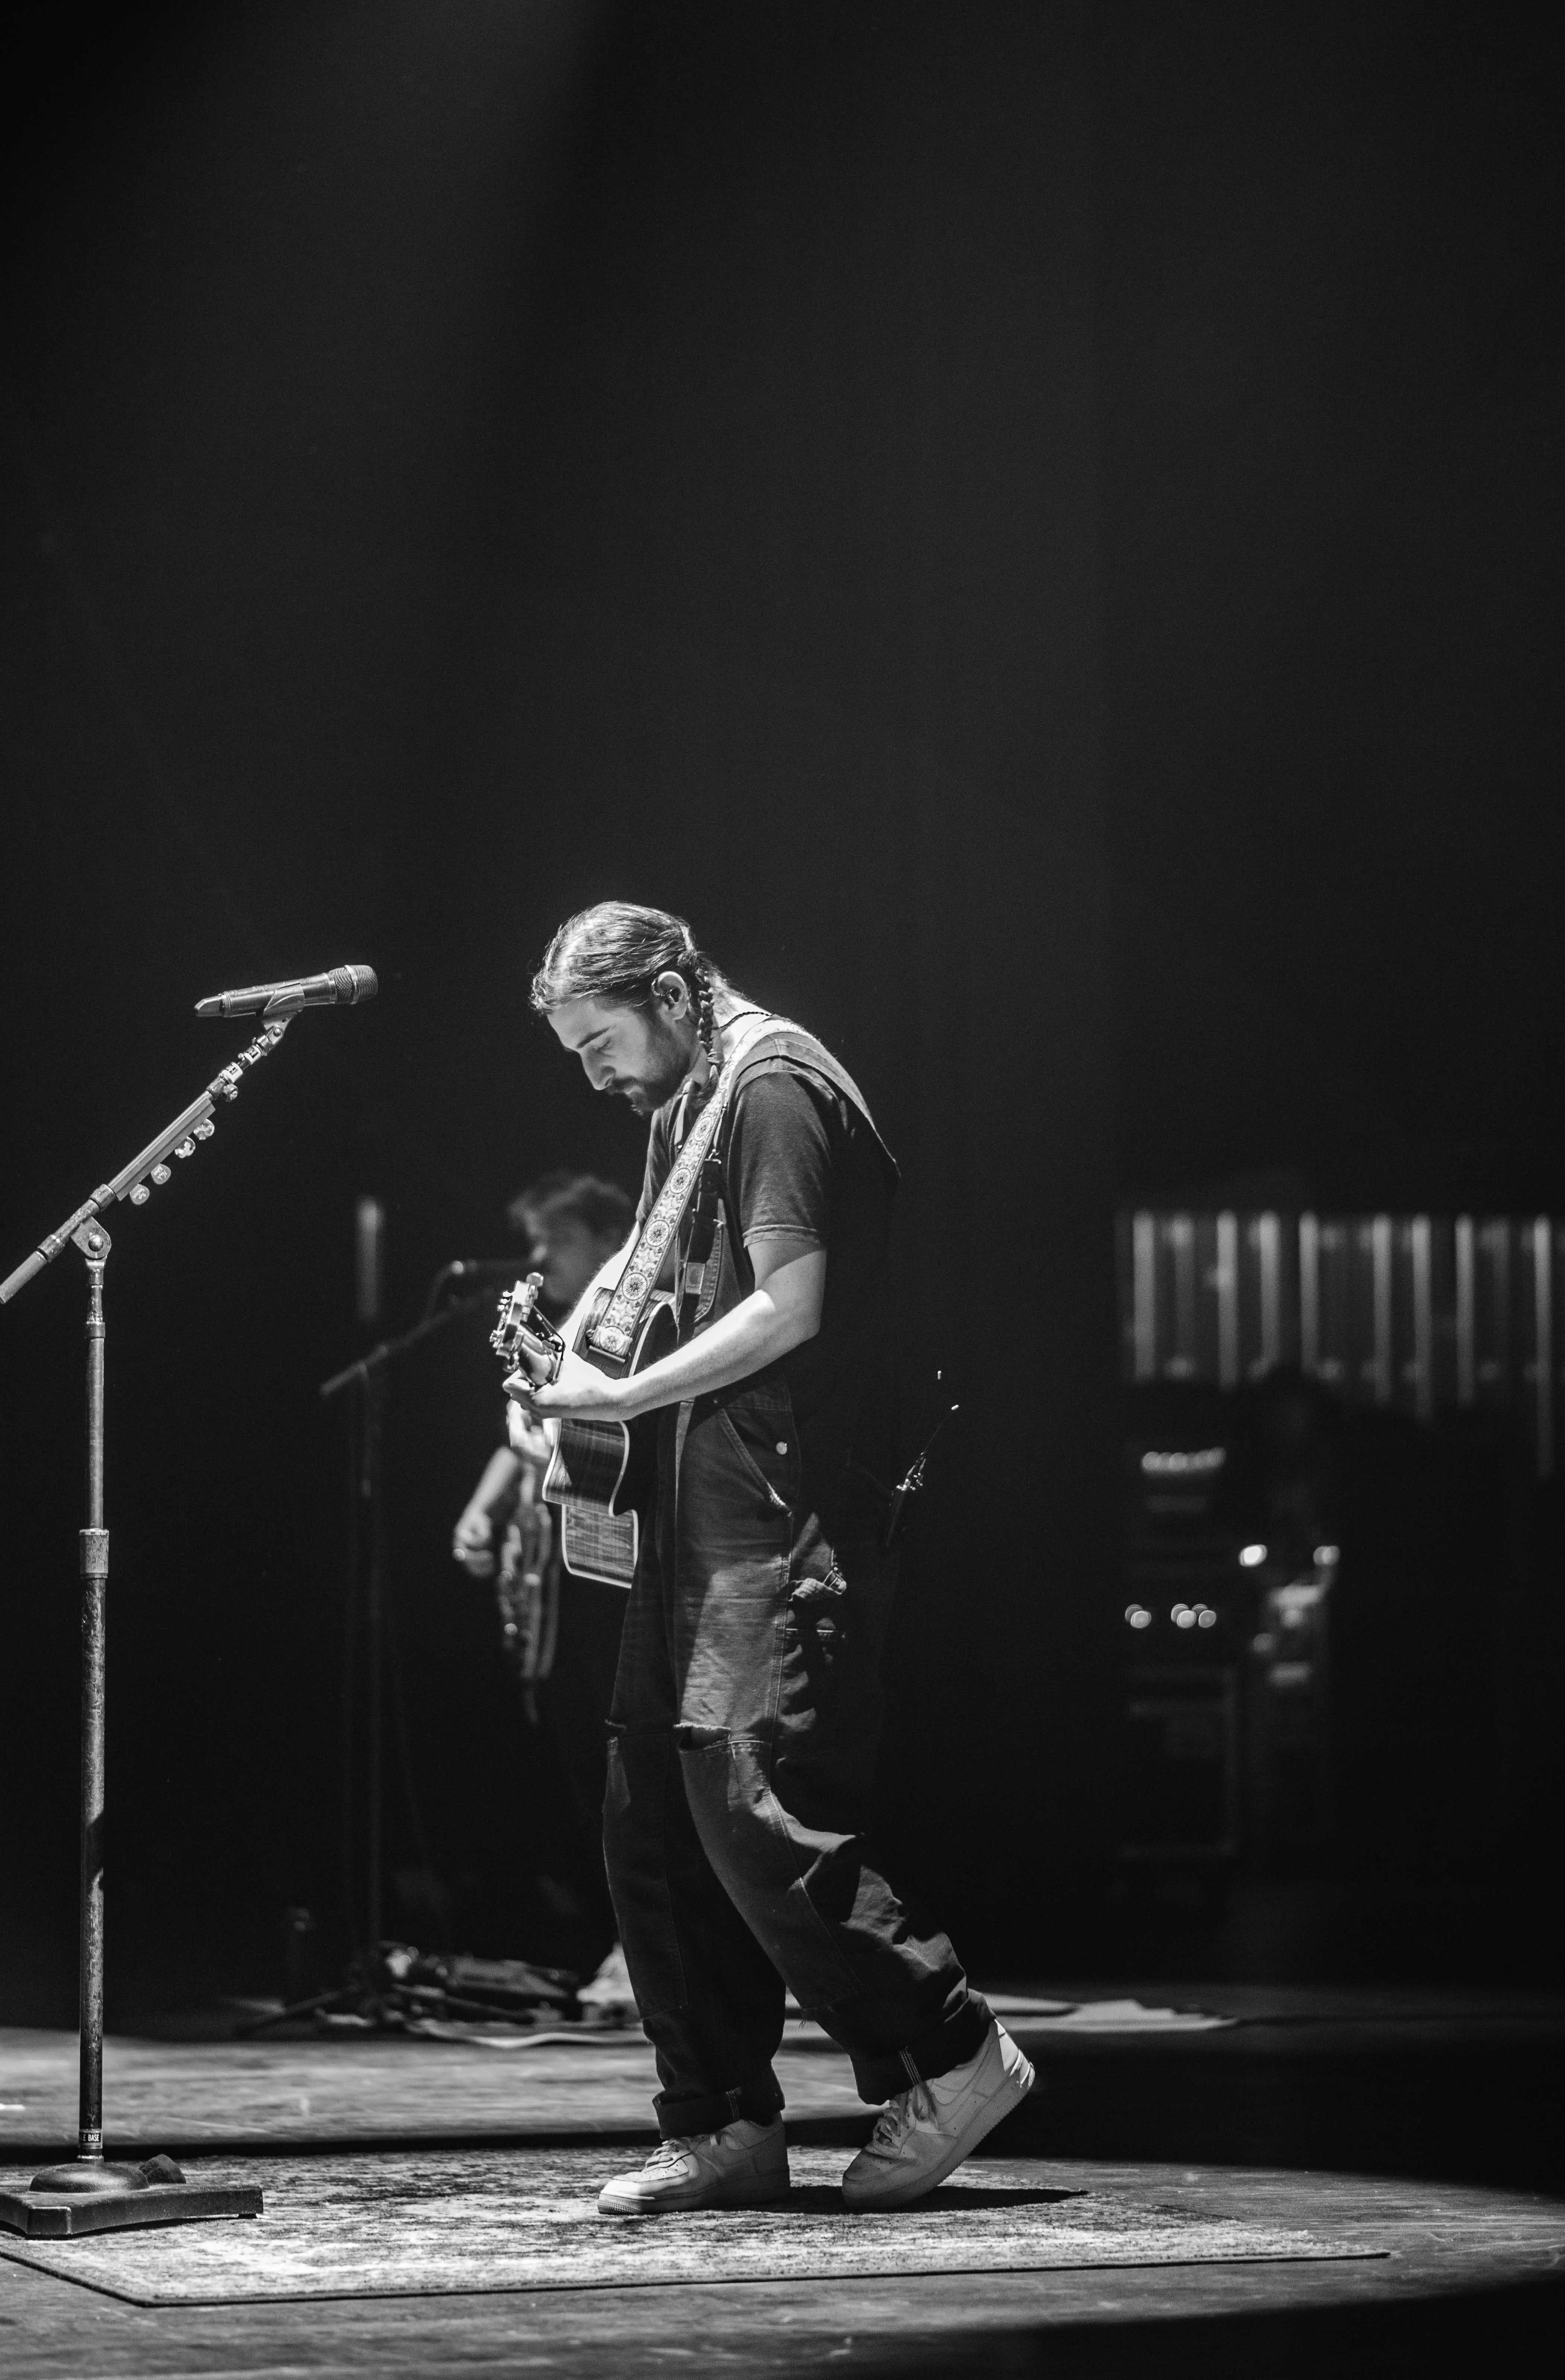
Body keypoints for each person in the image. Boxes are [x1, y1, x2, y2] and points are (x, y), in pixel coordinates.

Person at [505, 900, 1033, 2217]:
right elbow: (657, 1286)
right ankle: (722, 2120)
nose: (595, 1073)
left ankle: (953, 2046)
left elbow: (786, 1306)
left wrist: (614, 1401)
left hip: (786, 1509)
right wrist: (567, 1372)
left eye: (601, 1039)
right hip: (696, 1513)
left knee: (750, 1798)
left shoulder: (778, 1084)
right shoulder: (685, 1107)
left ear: (676, 992)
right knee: (651, 1815)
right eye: (575, 1051)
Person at [453, 1170, 636, 1979]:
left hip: (610, 1567)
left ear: (607, 1239)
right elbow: (525, 1426)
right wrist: (483, 1506)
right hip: (560, 1571)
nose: (535, 1256)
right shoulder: (560, 1326)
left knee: (618, 1749)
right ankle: (618, 1936)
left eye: (552, 1238)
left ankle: (645, 1945)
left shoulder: (627, 1319)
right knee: (573, 1747)